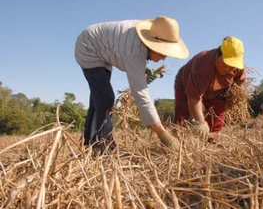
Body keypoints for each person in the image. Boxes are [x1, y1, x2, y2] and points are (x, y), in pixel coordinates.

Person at [74, 15, 189, 152]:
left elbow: (133, 61)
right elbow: (141, 95)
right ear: (151, 43)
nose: (164, 57)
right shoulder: (134, 50)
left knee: (98, 99)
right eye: (162, 51)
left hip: (100, 46)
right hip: (88, 47)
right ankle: (104, 147)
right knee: (105, 98)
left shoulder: (146, 37)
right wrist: (163, 134)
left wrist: (144, 70)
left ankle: (89, 142)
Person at [173, 36, 246, 141]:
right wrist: (200, 122)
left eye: (233, 66)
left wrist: (232, 95)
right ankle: (177, 140)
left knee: (217, 114)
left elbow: (239, 82)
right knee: (182, 113)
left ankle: (211, 140)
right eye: (226, 64)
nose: (229, 69)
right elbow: (194, 97)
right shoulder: (203, 64)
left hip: (216, 91)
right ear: (218, 55)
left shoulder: (238, 68)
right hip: (186, 84)